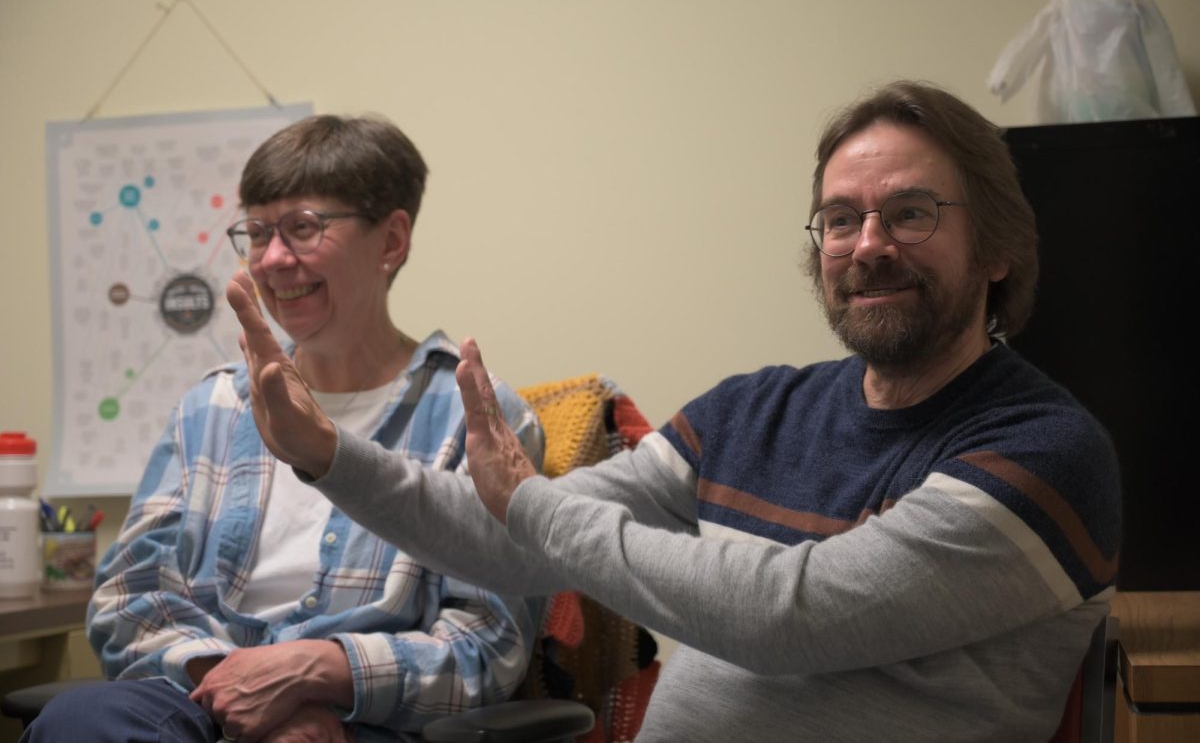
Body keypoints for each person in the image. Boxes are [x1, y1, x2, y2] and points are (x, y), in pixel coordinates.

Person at [228, 82, 1121, 742]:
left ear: (998, 246)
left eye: (911, 213)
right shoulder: (752, 410)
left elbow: (786, 618)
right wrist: (326, 454)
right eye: (841, 219)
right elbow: (510, 544)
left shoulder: (1043, 451)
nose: (869, 245)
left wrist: (530, 502)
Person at [26, 115, 544, 743]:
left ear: (391, 241)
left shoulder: (478, 420)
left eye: (302, 228)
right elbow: (127, 598)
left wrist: (318, 673)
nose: (272, 259)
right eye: (258, 232)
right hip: (199, 703)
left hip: (367, 723)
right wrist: (236, 684)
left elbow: (489, 644)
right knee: (79, 722)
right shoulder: (211, 406)